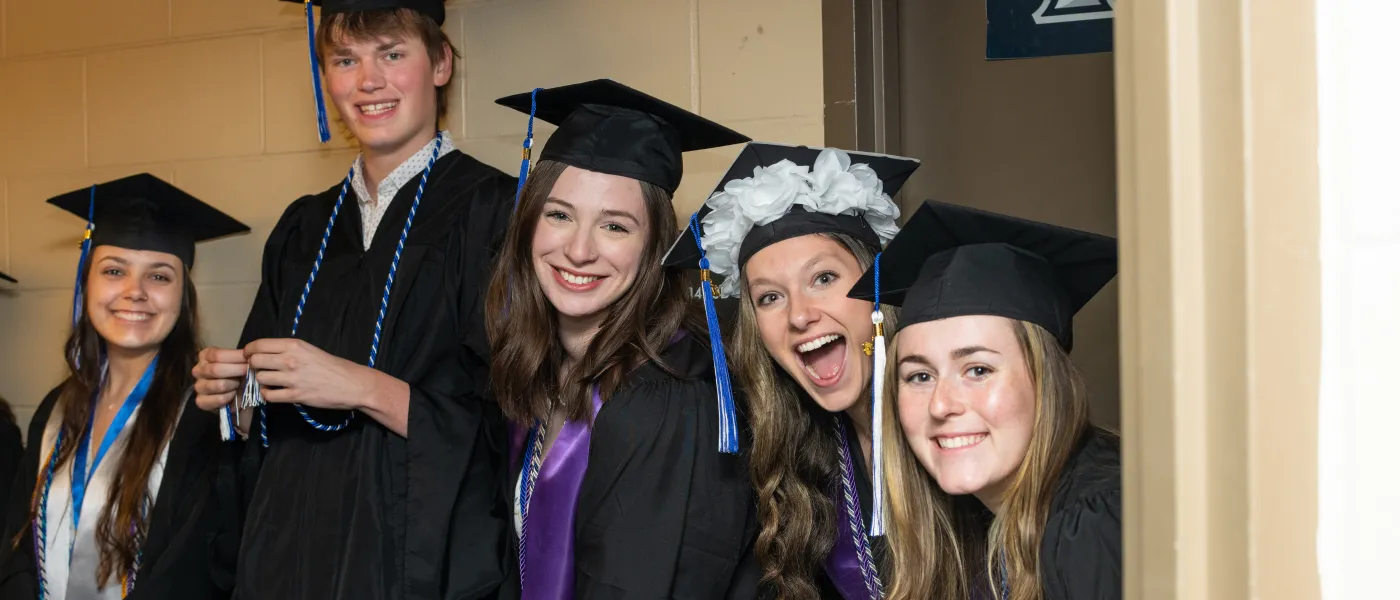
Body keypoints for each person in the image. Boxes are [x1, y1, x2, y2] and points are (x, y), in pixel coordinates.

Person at [190, 1, 516, 597]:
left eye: (392, 54)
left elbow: (514, 420)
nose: (369, 81)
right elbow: (259, 426)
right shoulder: (302, 228)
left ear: (440, 63)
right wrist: (234, 396)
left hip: (416, 558)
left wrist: (361, 387)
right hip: (287, 556)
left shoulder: (494, 210)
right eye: (346, 59)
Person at [487, 79, 758, 599]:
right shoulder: (543, 373)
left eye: (615, 227)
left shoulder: (670, 397)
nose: (580, 250)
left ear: (655, 245)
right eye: (559, 215)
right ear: (527, 224)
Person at [663, 143, 919, 600]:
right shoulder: (807, 453)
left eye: (823, 278)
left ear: (877, 285)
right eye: (769, 297)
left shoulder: (956, 432)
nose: (799, 316)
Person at [847, 200, 1121, 600]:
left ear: (1048, 383)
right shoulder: (974, 528)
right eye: (919, 376)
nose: (942, 405)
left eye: (978, 370)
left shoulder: (1095, 523)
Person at [0, 173, 249, 599]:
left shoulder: (205, 414)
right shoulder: (56, 410)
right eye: (114, 270)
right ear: (87, 283)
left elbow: (199, 568)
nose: (134, 292)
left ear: (182, 297)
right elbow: (17, 546)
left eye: (159, 276)